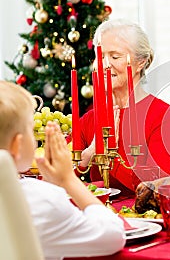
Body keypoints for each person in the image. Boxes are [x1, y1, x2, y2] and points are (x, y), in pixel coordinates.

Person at [0, 81, 125, 259]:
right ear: (17, 145)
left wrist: (51, 184)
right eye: (30, 127)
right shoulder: (37, 198)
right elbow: (112, 235)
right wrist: (69, 180)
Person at [78, 19, 170, 196]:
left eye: (115, 56)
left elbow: (153, 187)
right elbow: (60, 178)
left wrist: (109, 157)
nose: (105, 64)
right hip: (99, 217)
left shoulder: (164, 116)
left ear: (140, 62)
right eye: (100, 56)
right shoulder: (89, 119)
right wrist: (90, 153)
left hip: (147, 219)